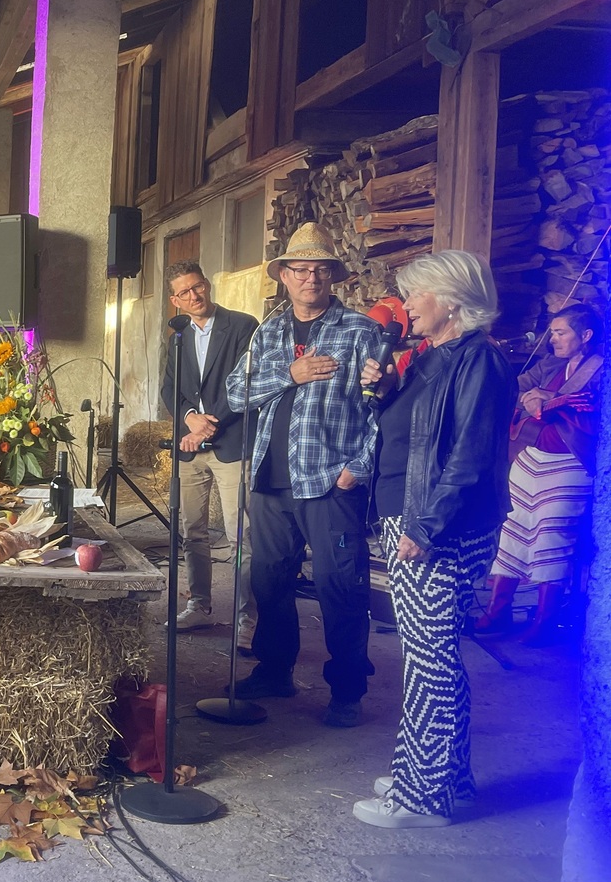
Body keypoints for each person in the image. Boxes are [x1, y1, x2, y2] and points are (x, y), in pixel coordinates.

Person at [350, 251, 515, 828]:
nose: (407, 306)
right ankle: (452, 781)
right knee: (434, 656)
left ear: (449, 300)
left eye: (416, 294)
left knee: (428, 664)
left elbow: (468, 457)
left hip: (439, 528)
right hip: (414, 519)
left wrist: (424, 526)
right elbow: (410, 433)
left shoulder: (480, 363)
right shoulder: (432, 357)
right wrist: (383, 389)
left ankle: (422, 799)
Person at [226, 223, 380, 728]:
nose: (310, 278)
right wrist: (287, 375)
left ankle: (347, 690)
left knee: (341, 586)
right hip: (271, 479)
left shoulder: (359, 331)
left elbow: (382, 407)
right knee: (268, 581)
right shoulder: (268, 332)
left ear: (332, 276)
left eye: (319, 269)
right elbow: (235, 394)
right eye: (300, 269)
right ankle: (275, 671)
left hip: (328, 480)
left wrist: (357, 469)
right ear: (285, 276)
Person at [475, 303, 603, 645]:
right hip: (531, 458)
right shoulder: (552, 364)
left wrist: (548, 402)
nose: (554, 340)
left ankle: (545, 621)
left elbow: (590, 411)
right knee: (512, 532)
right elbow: (513, 388)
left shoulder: (602, 370)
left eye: (561, 333)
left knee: (551, 536)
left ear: (586, 336)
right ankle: (499, 610)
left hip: (570, 465)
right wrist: (533, 400)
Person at [159, 261, 259, 641]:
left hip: (231, 443)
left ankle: (246, 618)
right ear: (175, 301)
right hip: (190, 449)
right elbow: (171, 388)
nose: (194, 296)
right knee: (192, 532)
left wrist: (206, 425)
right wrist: (188, 419)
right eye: (184, 292)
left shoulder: (242, 326)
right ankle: (199, 605)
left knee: (241, 535)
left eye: (198, 287)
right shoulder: (178, 337)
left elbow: (244, 385)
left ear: (208, 284)